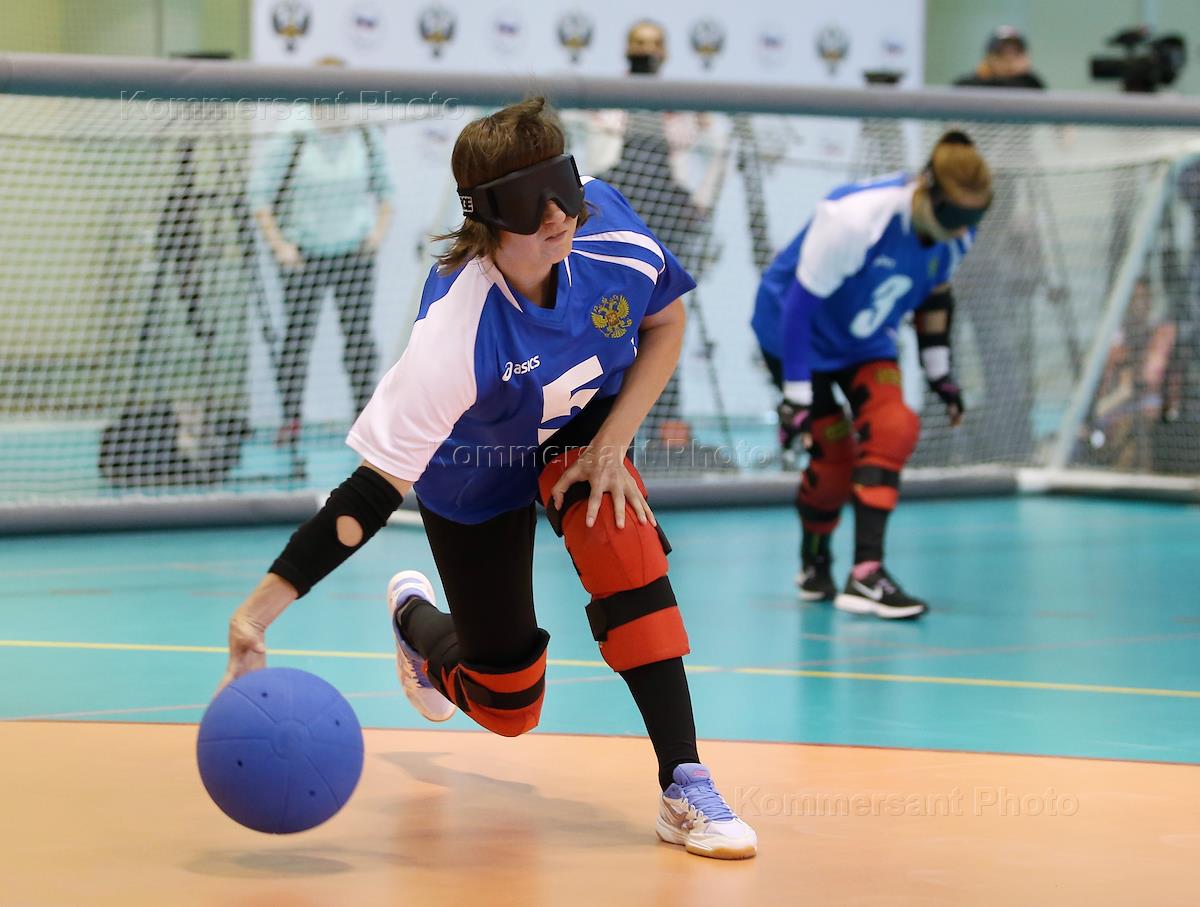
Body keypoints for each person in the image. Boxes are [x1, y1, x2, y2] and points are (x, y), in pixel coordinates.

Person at [221, 98, 757, 860]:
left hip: (579, 435)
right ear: (484, 213)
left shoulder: (609, 230)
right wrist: (256, 615)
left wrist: (613, 443)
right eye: (527, 201)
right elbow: (367, 495)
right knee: (509, 705)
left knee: (621, 539)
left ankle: (685, 782)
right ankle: (416, 623)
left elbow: (664, 320)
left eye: (561, 188)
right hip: (474, 472)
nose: (555, 216)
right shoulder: (456, 329)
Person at [751, 132, 992, 619]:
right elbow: (798, 308)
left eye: (974, 217)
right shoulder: (854, 218)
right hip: (797, 336)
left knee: (894, 426)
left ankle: (866, 573)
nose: (962, 230)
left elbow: (933, 293)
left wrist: (940, 373)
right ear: (928, 190)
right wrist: (796, 397)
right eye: (954, 217)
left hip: (865, 339)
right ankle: (814, 559)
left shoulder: (959, 232)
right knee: (834, 461)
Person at [588, 20, 727, 467]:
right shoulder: (604, 100)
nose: (645, 52)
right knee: (607, 321)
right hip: (613, 221)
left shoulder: (681, 107)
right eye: (638, 44)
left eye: (652, 45)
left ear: (665, 52)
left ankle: (667, 429)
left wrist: (699, 204)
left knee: (664, 322)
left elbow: (718, 150)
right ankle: (599, 427)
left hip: (665, 221)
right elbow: (589, 154)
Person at [247, 73, 394, 447]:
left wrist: (376, 234)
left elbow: (387, 191)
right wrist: (280, 246)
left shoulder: (363, 133)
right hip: (304, 256)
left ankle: (364, 420)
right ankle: (291, 421)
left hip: (353, 254)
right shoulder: (292, 135)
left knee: (358, 340)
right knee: (296, 341)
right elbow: (259, 197)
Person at [954, 26, 1046, 89]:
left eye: (1016, 53)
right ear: (988, 58)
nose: (1010, 59)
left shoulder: (1032, 84)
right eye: (1002, 53)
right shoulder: (967, 85)